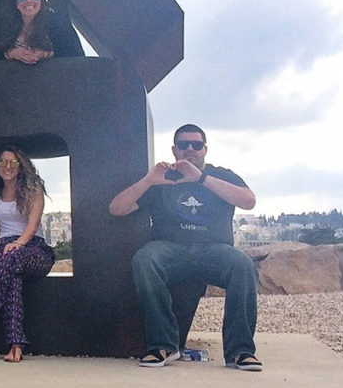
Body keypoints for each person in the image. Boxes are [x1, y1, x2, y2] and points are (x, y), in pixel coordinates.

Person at [109, 124, 262, 370]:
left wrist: (201, 178)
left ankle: (240, 351)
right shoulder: (162, 180)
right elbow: (117, 208)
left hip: (214, 251)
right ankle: (163, 345)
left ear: (205, 149)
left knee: (243, 265)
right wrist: (148, 180)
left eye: (196, 144)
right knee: (145, 259)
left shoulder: (220, 175)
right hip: (170, 250)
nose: (190, 149)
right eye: (183, 145)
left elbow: (248, 201)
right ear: (174, 150)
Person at [0, 146, 55, 362]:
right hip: (3, 249)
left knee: (10, 259)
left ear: (21, 166)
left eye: (13, 163)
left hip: (33, 248)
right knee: (12, 276)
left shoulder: (33, 189)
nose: (8, 167)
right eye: (3, 162)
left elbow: (32, 225)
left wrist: (18, 243)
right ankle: (16, 344)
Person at [0, 0, 83, 63]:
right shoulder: (5, 24)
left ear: (41, 0)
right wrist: (11, 54)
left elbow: (73, 54)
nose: (29, 0)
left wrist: (46, 55)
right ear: (16, 3)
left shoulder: (57, 23)